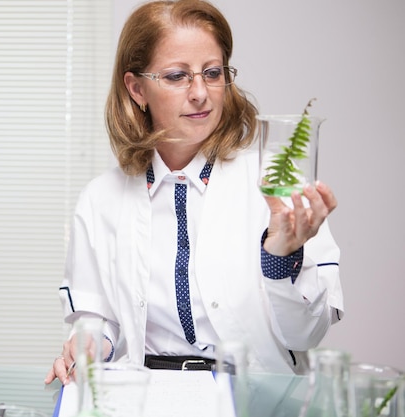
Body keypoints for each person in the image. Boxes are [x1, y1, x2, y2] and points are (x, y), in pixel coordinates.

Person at [45, 0, 342, 386]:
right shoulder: (99, 198)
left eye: (212, 73)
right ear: (137, 88)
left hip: (253, 397)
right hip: (146, 396)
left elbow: (306, 334)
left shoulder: (275, 184)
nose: (201, 92)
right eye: (177, 76)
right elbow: (98, 319)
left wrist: (280, 256)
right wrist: (87, 345)